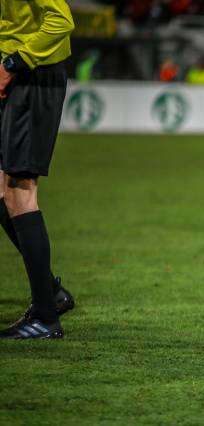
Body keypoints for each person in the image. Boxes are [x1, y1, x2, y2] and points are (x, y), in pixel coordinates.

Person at [0, 0, 76, 339]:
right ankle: (50, 292)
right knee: (4, 191)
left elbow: (61, 20)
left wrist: (13, 62)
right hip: (17, 74)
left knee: (19, 189)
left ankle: (45, 317)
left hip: (33, 76)